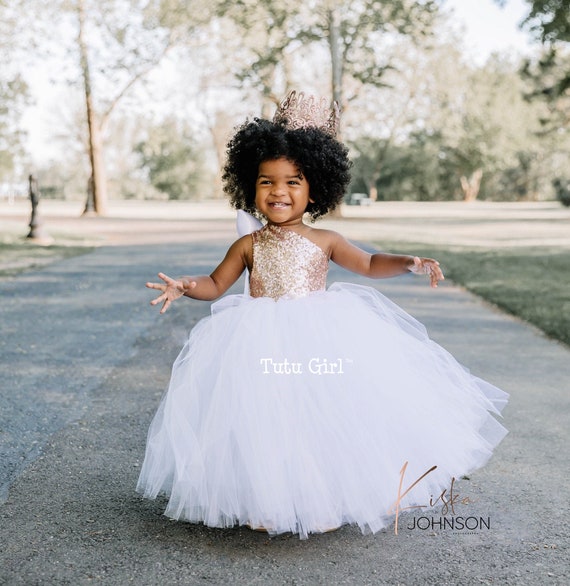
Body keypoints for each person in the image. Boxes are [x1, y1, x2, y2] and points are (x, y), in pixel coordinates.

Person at [137, 91, 508, 539]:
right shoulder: (247, 245)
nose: (279, 191)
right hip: (258, 341)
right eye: (267, 182)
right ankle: (266, 499)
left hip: (319, 338)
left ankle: (325, 498)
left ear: (315, 187)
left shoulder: (326, 239)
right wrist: (184, 286)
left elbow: (369, 263)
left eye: (293, 181)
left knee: (322, 419)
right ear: (250, 187)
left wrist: (408, 261)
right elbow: (216, 285)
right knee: (263, 419)